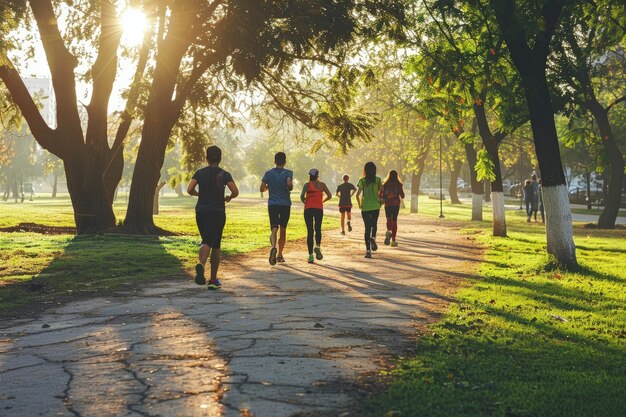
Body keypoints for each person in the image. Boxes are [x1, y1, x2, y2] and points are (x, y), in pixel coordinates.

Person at [187, 146, 239, 290]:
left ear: (207, 157)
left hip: (201, 212)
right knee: (214, 244)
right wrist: (229, 197)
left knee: (209, 240)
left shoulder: (199, 173)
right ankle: (208, 273)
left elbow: (189, 189)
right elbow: (235, 191)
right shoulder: (224, 174)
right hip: (217, 212)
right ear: (220, 158)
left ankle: (210, 276)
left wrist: (199, 194)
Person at [260, 152, 293, 265]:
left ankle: (273, 246)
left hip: (273, 204)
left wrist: (268, 187)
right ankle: (279, 255)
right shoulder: (288, 173)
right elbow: (289, 184)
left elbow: (261, 188)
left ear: (274, 161)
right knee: (283, 229)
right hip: (285, 204)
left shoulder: (268, 173)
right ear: (285, 162)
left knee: (274, 228)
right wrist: (289, 186)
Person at [300, 168, 332, 263]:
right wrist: (322, 201)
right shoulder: (322, 185)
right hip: (319, 209)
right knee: (318, 228)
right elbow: (330, 195)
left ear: (310, 175)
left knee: (310, 231)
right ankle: (317, 246)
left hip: (308, 209)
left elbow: (301, 197)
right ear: (317, 176)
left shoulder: (307, 185)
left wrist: (306, 202)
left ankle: (310, 256)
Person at [356, 162, 382, 258]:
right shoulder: (378, 180)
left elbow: (357, 195)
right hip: (375, 205)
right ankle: (373, 238)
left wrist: (360, 205)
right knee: (374, 224)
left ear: (365, 170)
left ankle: (368, 251)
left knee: (367, 228)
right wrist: (381, 201)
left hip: (365, 207)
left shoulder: (362, 181)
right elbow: (382, 191)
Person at [381, 170, 405, 247]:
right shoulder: (399, 184)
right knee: (394, 220)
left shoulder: (385, 184)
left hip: (387, 204)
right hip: (396, 204)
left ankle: (388, 232)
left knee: (388, 219)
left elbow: (381, 195)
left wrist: (386, 197)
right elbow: (403, 196)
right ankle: (393, 240)